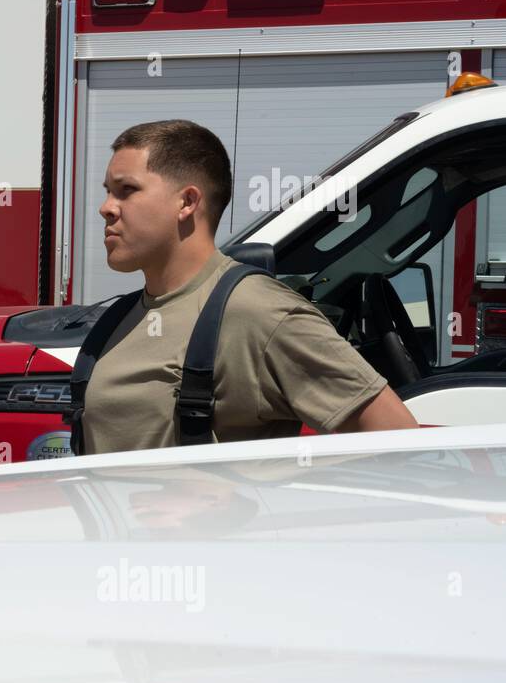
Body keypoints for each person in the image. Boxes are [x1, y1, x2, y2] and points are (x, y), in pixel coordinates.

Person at [81, 119, 418, 454]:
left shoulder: (257, 312)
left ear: (187, 202)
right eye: (108, 191)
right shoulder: (119, 319)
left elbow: (397, 437)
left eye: (127, 190)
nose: (106, 208)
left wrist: (251, 498)